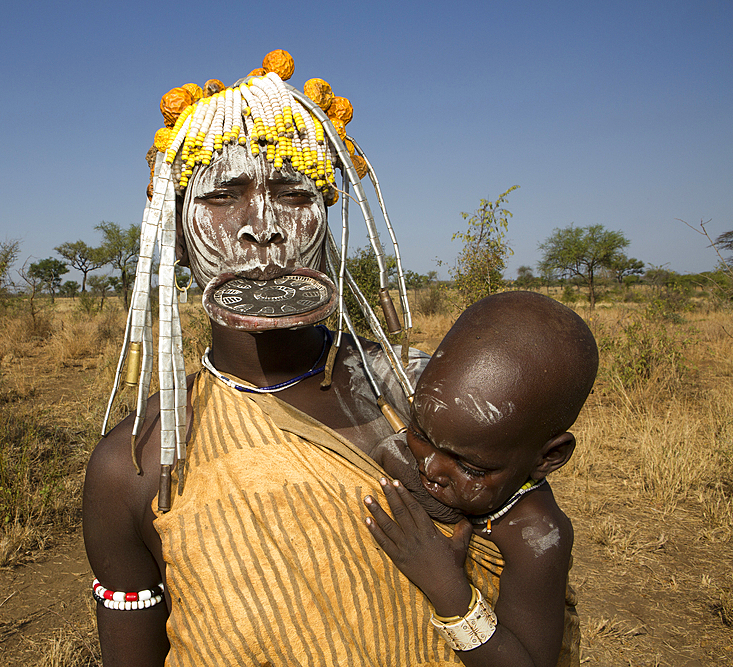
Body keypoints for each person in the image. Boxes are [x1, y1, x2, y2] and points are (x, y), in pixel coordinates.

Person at [83, 52, 578, 667]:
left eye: (293, 193)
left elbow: (531, 574)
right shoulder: (134, 464)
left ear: (327, 222)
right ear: (177, 237)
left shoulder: (427, 403)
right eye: (222, 196)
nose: (259, 226)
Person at [364, 290, 597, 667]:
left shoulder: (536, 534)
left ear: (548, 457)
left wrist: (447, 587)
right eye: (420, 435)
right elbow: (389, 454)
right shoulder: (454, 458)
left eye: (470, 468)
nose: (431, 469)